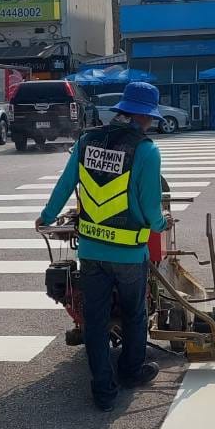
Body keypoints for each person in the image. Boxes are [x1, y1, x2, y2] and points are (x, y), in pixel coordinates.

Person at [38, 81, 168, 410]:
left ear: (123, 110)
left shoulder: (87, 141)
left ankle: (103, 391)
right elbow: (151, 207)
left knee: (94, 320)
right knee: (134, 314)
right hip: (129, 255)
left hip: (92, 251)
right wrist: (161, 224)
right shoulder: (146, 151)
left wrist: (46, 216)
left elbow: (65, 184)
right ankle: (131, 371)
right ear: (145, 116)